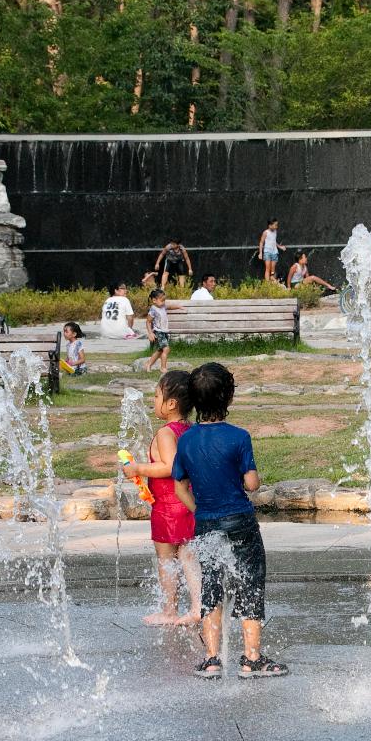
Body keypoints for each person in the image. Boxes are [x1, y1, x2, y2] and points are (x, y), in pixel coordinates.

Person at [173, 363, 288, 679]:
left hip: (206, 521)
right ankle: (251, 659)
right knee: (249, 582)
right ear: (230, 397)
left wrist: (199, 510)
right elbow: (251, 484)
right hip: (239, 520)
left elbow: (179, 485)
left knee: (212, 583)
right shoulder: (238, 437)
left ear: (194, 401)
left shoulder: (185, 441)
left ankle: (211, 659)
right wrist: (254, 477)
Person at [122, 370, 202, 626]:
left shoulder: (166, 433)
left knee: (166, 559)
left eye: (156, 396)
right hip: (188, 502)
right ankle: (199, 605)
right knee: (189, 556)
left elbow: (169, 467)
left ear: (171, 404)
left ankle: (170, 610)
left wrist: (138, 469)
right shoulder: (189, 429)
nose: (153, 401)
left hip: (168, 506)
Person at [143, 289, 171, 373]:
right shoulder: (153, 309)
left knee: (160, 351)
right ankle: (163, 368)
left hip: (164, 332)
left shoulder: (163, 306)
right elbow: (148, 321)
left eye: (164, 300)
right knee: (166, 349)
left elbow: (170, 306)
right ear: (154, 300)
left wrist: (179, 307)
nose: (163, 302)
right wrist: (150, 333)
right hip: (158, 332)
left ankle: (148, 364)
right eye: (162, 300)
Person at [259, 219, 281, 283]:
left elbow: (274, 241)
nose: (276, 227)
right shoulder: (265, 232)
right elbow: (261, 242)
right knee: (267, 268)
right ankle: (267, 284)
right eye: (275, 225)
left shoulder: (275, 231)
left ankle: (272, 280)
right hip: (267, 252)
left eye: (277, 225)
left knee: (273, 269)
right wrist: (260, 253)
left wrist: (280, 247)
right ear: (270, 225)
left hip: (274, 252)